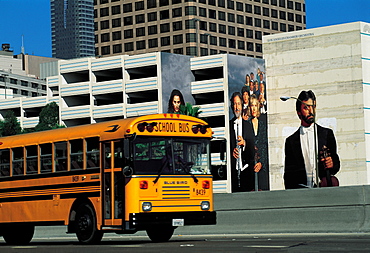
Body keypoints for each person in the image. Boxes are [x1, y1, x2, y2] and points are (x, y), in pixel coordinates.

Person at [284, 90, 340, 189]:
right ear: (299, 112)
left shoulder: (327, 134)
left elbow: (336, 164)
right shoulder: (291, 141)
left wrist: (332, 163)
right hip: (301, 193)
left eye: (313, 107)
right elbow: (288, 175)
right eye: (306, 107)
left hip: (324, 190)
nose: (311, 111)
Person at [229, 92, 254, 192]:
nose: (236, 107)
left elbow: (253, 148)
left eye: (238, 104)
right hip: (233, 174)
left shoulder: (248, 125)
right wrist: (231, 152)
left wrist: (245, 143)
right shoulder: (229, 125)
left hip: (246, 172)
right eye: (235, 104)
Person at [249, 95, 269, 190]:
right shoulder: (247, 124)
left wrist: (261, 162)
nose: (253, 108)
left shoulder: (263, 124)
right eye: (251, 105)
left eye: (255, 105)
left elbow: (265, 145)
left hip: (263, 166)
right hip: (251, 167)